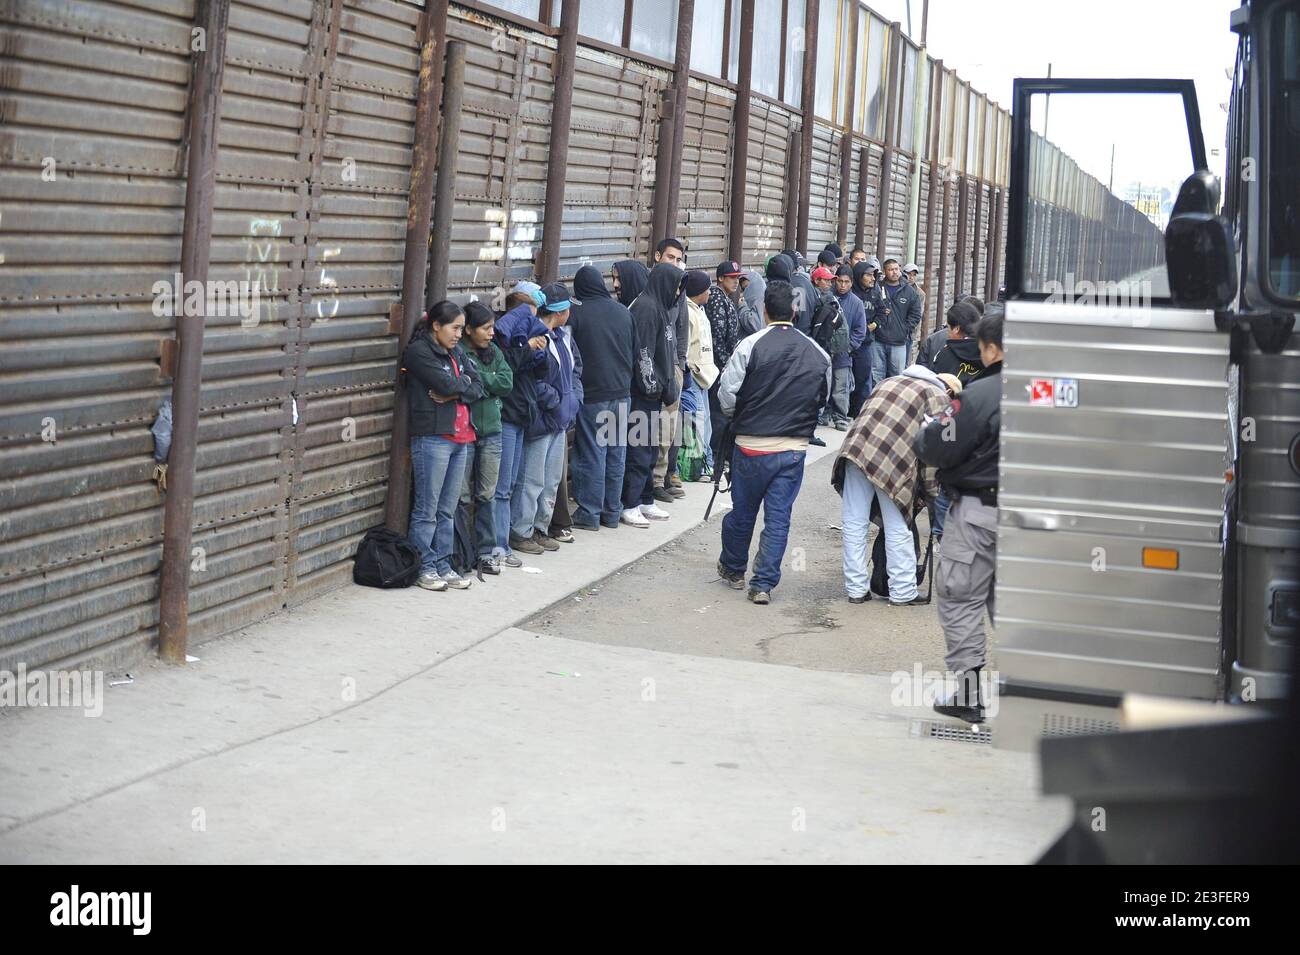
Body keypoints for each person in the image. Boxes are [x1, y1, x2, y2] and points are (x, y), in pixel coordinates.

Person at [715, 282, 831, 605]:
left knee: (742, 513)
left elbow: (727, 394)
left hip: (750, 446)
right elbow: (820, 401)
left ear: (763, 310)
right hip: (792, 450)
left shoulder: (749, 345)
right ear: (794, 311)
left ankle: (734, 568)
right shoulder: (816, 352)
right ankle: (763, 584)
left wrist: (738, 416)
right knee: (778, 518)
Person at [915, 307, 1005, 723]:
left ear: (990, 350)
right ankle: (1045, 688)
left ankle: (968, 695)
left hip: (978, 515)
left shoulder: (977, 397)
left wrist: (931, 426)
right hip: (1041, 521)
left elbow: (936, 445)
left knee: (962, 599)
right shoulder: (1054, 392)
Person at [833, 364, 953, 605]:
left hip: (855, 452)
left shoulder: (887, 382)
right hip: (892, 462)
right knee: (898, 526)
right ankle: (902, 591)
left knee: (854, 522)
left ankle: (856, 590)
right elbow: (935, 456)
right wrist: (933, 494)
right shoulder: (939, 398)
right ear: (949, 391)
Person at [401, 301, 484, 591]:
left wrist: (452, 393)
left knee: (447, 510)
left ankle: (443, 565)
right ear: (436, 325)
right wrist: (457, 387)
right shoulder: (420, 352)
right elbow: (451, 384)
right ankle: (424, 566)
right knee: (428, 509)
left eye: (462, 328)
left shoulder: (456, 351)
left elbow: (478, 385)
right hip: (433, 438)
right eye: (455, 328)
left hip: (461, 439)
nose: (460, 334)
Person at [511, 282, 583, 553]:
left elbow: (576, 370)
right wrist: (555, 401)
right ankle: (521, 530)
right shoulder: (537, 336)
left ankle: (540, 528)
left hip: (561, 420)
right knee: (531, 479)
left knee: (551, 479)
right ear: (561, 311)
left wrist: (574, 401)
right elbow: (533, 377)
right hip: (542, 420)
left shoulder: (563, 336)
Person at [568, 264, 635, 532]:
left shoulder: (577, 314)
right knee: (617, 453)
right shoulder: (622, 311)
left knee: (592, 453)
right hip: (622, 393)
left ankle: (590, 512)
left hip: (594, 395)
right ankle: (611, 511)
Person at [622, 262, 684, 527]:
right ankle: (630, 503)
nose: (679, 291)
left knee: (649, 449)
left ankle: (646, 499)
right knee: (639, 449)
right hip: (642, 394)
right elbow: (643, 353)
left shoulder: (661, 307)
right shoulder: (647, 309)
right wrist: (651, 385)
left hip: (654, 393)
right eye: (677, 285)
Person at [493, 285, 550, 564]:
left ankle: (502, 545)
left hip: (520, 417)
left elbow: (543, 372)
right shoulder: (503, 341)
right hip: (506, 418)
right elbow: (506, 369)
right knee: (501, 488)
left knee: (511, 484)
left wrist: (539, 349)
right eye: (527, 315)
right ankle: (498, 546)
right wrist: (526, 347)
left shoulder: (529, 337)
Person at [459, 302, 513, 575]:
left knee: (487, 495)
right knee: (462, 496)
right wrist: (484, 380)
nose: (492, 333)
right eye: (486, 328)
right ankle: (463, 552)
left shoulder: (495, 352)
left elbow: (507, 383)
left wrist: (482, 380)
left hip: (492, 432)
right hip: (466, 433)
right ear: (468, 330)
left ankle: (486, 553)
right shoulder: (459, 353)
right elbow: (466, 383)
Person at [652, 238, 688, 503]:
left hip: (672, 367)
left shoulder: (679, 289)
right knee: (645, 429)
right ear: (657, 257)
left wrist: (680, 365)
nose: (674, 263)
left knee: (667, 428)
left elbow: (681, 328)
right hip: (651, 369)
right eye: (670, 257)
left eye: (678, 259)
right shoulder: (649, 285)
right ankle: (649, 482)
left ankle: (661, 477)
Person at [704, 261, 743, 473]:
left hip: (724, 366)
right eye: (731, 277)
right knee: (718, 416)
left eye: (738, 277)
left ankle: (720, 457)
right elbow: (716, 337)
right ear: (720, 278)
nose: (736, 281)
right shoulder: (717, 299)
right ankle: (716, 458)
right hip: (718, 369)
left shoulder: (725, 299)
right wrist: (727, 365)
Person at [682, 269, 719, 479]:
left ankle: (707, 462)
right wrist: (692, 369)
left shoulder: (699, 310)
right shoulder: (688, 313)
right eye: (707, 290)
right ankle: (697, 467)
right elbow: (685, 347)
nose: (710, 294)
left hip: (705, 377)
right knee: (697, 423)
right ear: (698, 292)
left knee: (706, 424)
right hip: (694, 378)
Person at [872, 258, 923, 388]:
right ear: (885, 271)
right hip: (878, 340)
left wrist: (904, 329)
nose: (894, 272)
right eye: (890, 270)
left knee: (897, 377)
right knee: (877, 376)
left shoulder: (909, 291)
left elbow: (916, 314)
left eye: (896, 269)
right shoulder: (878, 288)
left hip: (899, 342)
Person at [830, 264, 867, 430]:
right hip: (825, 351)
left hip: (844, 354)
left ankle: (840, 418)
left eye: (846, 282)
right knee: (824, 385)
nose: (842, 285)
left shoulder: (856, 303)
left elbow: (860, 330)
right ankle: (823, 414)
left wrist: (848, 347)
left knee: (841, 388)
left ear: (852, 283)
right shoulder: (828, 298)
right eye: (839, 281)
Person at [848, 260, 880, 416]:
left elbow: (883, 311)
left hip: (865, 344)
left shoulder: (875, 293)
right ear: (859, 276)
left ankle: (858, 412)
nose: (872, 278)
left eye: (873, 275)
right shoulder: (850, 293)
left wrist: (875, 324)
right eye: (868, 275)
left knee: (863, 379)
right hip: (848, 343)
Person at [903, 263, 927, 364]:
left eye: (914, 275)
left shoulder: (920, 294)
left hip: (909, 332)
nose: (911, 277)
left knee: (905, 361)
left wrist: (908, 329)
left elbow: (917, 315)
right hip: (893, 331)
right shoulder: (898, 287)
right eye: (909, 274)